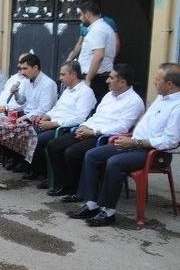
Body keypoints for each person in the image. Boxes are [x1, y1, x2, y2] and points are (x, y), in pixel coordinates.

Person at [70, 63, 180, 226]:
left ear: (169, 84)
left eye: (157, 79)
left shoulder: (177, 107)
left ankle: (108, 212)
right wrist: (132, 140)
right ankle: (92, 203)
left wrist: (135, 142)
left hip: (155, 153)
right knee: (92, 155)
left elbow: (170, 141)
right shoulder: (161, 98)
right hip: (135, 144)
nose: (154, 82)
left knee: (114, 162)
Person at [46, 64, 144, 199]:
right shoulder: (109, 95)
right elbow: (96, 116)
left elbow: (122, 128)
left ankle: (76, 190)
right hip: (90, 130)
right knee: (54, 145)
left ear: (122, 82)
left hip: (105, 137)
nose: (107, 81)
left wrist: (94, 132)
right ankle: (64, 184)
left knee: (72, 152)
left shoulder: (135, 102)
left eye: (111, 78)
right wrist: (84, 126)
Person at [24, 61, 96, 184]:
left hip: (64, 128)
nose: (60, 78)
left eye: (63, 74)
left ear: (73, 75)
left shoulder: (85, 92)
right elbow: (57, 108)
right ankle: (36, 170)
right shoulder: (67, 90)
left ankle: (49, 176)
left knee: (39, 139)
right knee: (27, 132)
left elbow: (80, 118)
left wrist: (55, 123)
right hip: (52, 123)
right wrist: (47, 116)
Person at [72, 0, 117, 101]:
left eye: (81, 14)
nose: (80, 18)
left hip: (96, 79)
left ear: (87, 14)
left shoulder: (98, 30)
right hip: (97, 77)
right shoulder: (101, 28)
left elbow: (98, 56)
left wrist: (88, 79)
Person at [10, 53, 58, 121]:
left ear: (35, 67)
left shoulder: (48, 84)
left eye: (25, 68)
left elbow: (44, 110)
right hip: (26, 116)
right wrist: (16, 93)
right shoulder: (26, 80)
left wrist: (23, 118)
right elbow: (21, 101)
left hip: (39, 120)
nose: (22, 72)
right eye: (21, 69)